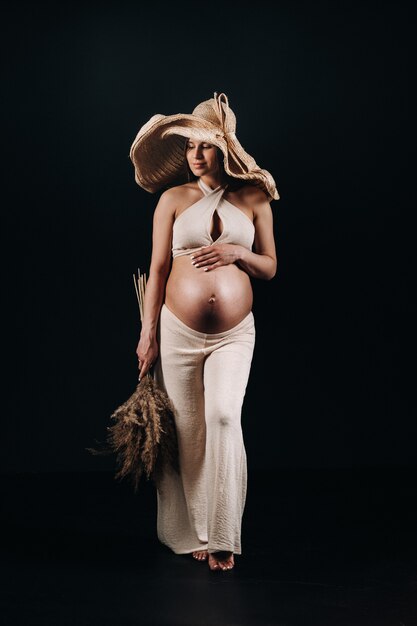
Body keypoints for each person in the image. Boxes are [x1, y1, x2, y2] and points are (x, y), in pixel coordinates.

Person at [129, 92, 279, 571]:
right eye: (190, 145)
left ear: (225, 150)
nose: (195, 155)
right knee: (189, 431)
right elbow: (156, 270)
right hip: (177, 333)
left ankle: (224, 532)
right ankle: (195, 531)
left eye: (206, 146)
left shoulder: (254, 199)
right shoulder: (172, 200)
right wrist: (147, 333)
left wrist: (238, 254)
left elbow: (271, 267)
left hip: (235, 334)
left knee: (223, 418)